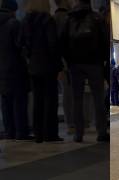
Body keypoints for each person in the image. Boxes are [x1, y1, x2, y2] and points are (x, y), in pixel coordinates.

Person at [61, 0, 108, 143]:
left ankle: (78, 134)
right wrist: (103, 61)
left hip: (75, 65)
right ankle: (101, 132)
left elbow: (63, 42)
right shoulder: (97, 18)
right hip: (94, 64)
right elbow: (105, 41)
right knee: (98, 98)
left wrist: (69, 62)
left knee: (77, 99)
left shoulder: (69, 19)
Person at [21, 0, 63, 143]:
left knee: (37, 101)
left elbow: (23, 45)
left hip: (33, 66)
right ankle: (50, 134)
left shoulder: (25, 21)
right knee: (50, 100)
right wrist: (58, 65)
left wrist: (29, 59)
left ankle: (38, 134)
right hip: (48, 65)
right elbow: (53, 44)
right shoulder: (47, 20)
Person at [0, 0, 32, 140]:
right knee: (19, 101)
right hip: (15, 68)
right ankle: (21, 132)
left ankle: (9, 131)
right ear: (13, 10)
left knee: (6, 102)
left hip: (1, 69)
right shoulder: (14, 24)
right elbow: (20, 46)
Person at [53, 0, 74, 134]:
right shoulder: (66, 18)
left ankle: (71, 123)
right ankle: (71, 123)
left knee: (68, 92)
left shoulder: (55, 18)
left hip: (62, 62)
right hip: (67, 62)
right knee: (69, 92)